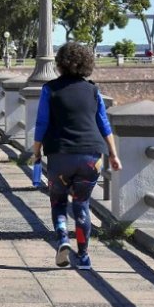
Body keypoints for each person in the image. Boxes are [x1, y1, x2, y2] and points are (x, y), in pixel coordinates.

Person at [33, 42, 122, 270]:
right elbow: (104, 124)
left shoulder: (49, 89)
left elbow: (42, 122)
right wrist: (113, 154)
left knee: (59, 202)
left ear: (60, 63)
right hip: (91, 157)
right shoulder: (93, 90)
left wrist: (35, 151)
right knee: (82, 205)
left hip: (60, 155)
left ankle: (63, 239)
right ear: (87, 63)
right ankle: (83, 257)